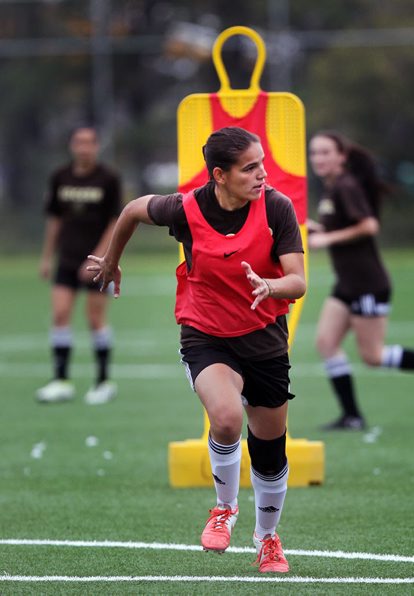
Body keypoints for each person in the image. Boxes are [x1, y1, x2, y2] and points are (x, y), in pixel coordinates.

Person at [87, 126, 306, 573]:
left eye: (262, 163)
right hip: (205, 334)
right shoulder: (185, 209)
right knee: (225, 418)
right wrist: (112, 260)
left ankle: (267, 539)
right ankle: (224, 508)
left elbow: (298, 281)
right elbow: (130, 210)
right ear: (220, 175)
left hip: (264, 341)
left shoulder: (277, 208)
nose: (262, 174)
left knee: (270, 451)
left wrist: (271, 285)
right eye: (250, 168)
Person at [307, 130, 414, 431]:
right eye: (314, 153)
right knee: (326, 343)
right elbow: (344, 226)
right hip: (347, 283)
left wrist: (327, 237)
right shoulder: (332, 188)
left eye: (325, 152)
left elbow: (369, 225)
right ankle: (352, 416)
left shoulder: (346, 186)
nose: (318, 159)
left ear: (341, 156)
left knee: (372, 355)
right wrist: (316, 229)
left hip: (367, 283)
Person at [36, 126, 122, 405]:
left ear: (97, 146)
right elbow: (54, 219)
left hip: (97, 261)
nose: (84, 148)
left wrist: (100, 256)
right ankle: (61, 380)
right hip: (67, 257)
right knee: (60, 314)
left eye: (89, 143)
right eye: (79, 142)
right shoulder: (60, 177)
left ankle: (103, 381)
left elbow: (115, 221)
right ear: (72, 146)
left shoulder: (108, 179)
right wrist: (48, 257)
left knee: (94, 318)